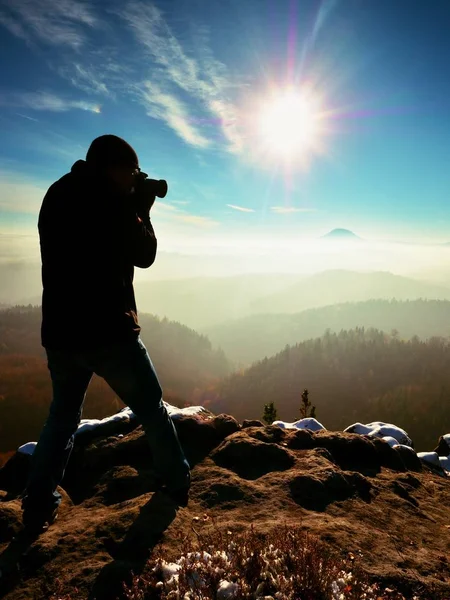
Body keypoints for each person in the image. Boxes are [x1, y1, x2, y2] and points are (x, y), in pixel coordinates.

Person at [21, 134, 191, 535]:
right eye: (130, 170)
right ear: (111, 167)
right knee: (151, 407)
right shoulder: (113, 203)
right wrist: (142, 211)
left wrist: (130, 200)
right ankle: (177, 481)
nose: (135, 178)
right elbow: (144, 254)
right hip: (109, 332)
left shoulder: (56, 193)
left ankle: (37, 504)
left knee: (61, 419)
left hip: (61, 334)